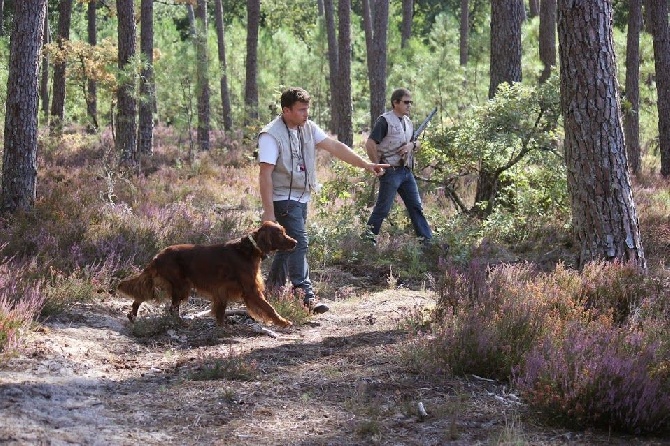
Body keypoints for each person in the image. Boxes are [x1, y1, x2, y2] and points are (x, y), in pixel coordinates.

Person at [258, 87, 388, 314]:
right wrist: (269, 213)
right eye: (301, 110)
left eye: (307, 108)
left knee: (286, 246)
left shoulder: (307, 127)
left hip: (301, 196)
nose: (306, 113)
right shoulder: (271, 135)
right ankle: (305, 296)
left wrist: (365, 165)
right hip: (283, 199)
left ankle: (272, 290)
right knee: (299, 242)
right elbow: (265, 175)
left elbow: (335, 146)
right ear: (286, 110)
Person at [365, 88, 432, 244]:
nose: (409, 105)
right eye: (406, 102)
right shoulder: (385, 120)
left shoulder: (408, 122)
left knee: (416, 207)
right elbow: (370, 143)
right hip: (391, 171)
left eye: (410, 102)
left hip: (406, 171)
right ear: (395, 103)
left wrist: (411, 146)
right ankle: (367, 243)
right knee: (382, 209)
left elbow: (417, 143)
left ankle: (428, 243)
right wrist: (377, 165)